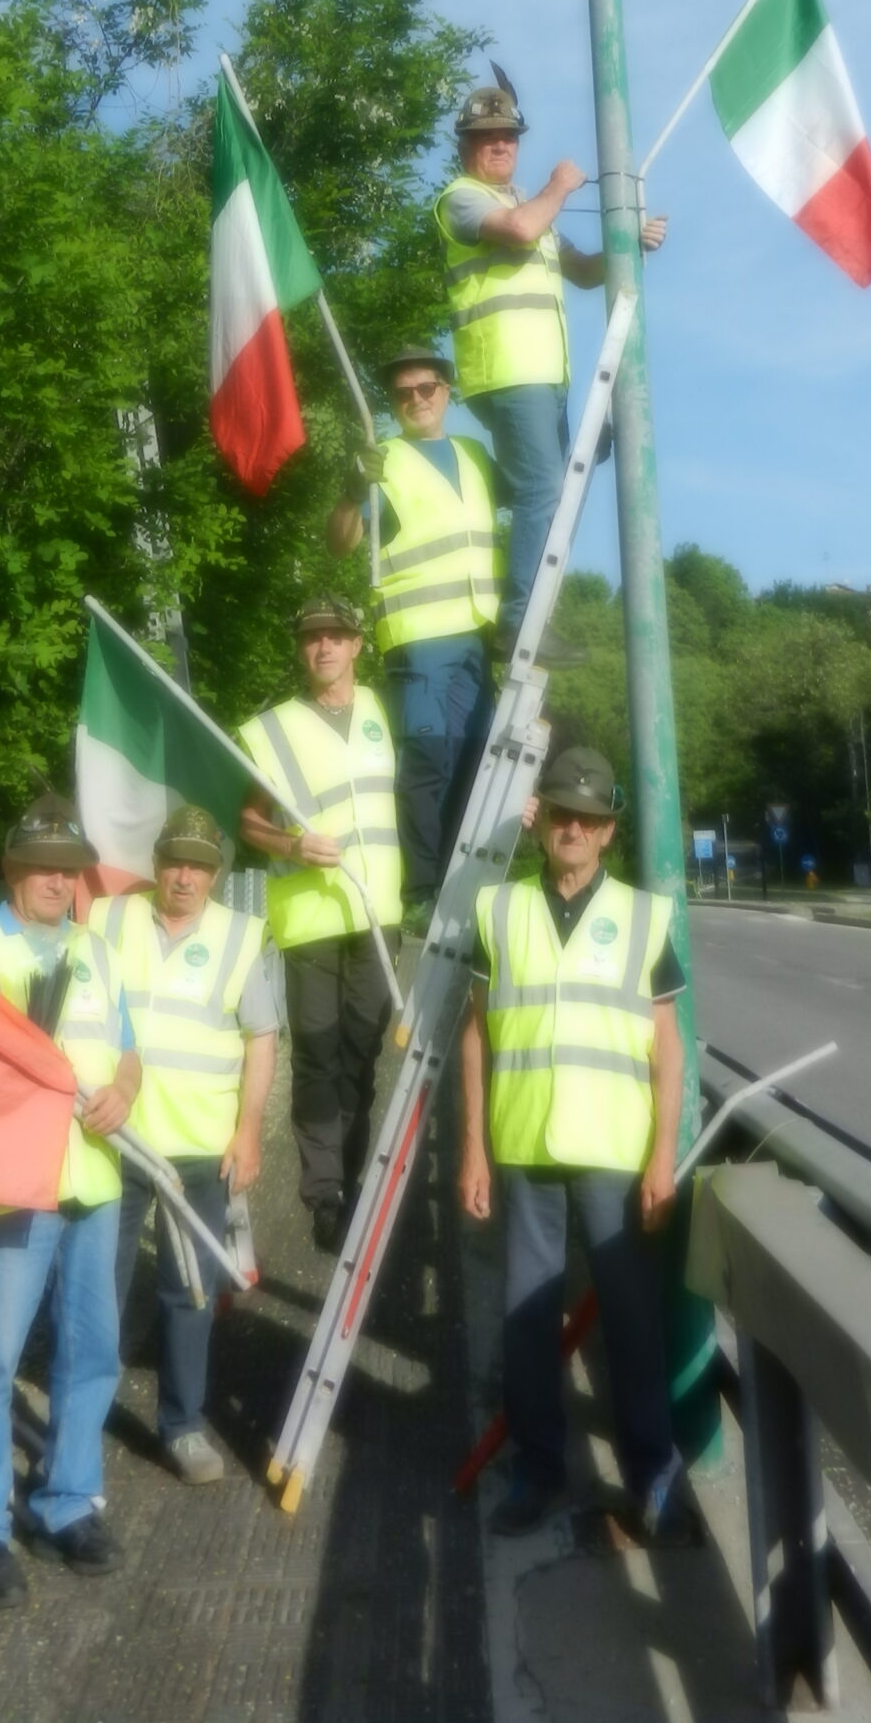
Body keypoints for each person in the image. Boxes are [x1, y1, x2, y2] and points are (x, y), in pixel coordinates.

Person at [457, 746, 691, 1539]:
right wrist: (473, 1150)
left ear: (608, 832)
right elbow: (477, 1035)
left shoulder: (643, 916)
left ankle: (652, 1472)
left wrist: (663, 1156)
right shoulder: (499, 910)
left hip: (617, 1154)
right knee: (527, 1322)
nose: (573, 828)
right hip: (523, 1145)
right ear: (542, 823)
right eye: (561, 813)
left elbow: (668, 1045)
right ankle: (538, 1471)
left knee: (631, 1321)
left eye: (589, 818)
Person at [0, 796, 140, 1610]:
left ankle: (67, 1503)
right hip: (6, 1185)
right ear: (10, 869)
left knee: (91, 1354)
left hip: (93, 1179)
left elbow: (126, 1050)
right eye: (43, 866)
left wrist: (124, 1092)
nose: (59, 880)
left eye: (70, 867)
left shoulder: (97, 951)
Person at [434, 74, 667, 661]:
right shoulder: (463, 198)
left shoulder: (526, 206)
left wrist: (629, 245)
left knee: (552, 483)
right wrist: (559, 187)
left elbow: (584, 271)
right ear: (465, 147)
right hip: (507, 371)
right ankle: (518, 622)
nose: (500, 145)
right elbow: (519, 231)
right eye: (487, 137)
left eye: (508, 137)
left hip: (542, 373)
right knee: (544, 487)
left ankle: (476, 489)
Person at [90, 805, 277, 1486]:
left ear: (216, 874)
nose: (184, 875)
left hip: (201, 1148)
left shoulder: (242, 937)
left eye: (199, 865)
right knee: (95, 1285)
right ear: (157, 864)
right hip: (115, 1140)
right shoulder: (108, 920)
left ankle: (181, 1426)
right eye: (174, 861)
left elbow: (262, 1037)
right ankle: (82, 1417)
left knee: (188, 1291)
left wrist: (249, 1129)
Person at [237, 596, 404, 1252]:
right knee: (317, 1057)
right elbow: (248, 822)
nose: (324, 647)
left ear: (358, 645)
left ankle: (351, 1174)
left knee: (360, 1058)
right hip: (308, 917)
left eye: (336, 636)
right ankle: (325, 1193)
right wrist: (291, 847)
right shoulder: (270, 729)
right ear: (301, 650)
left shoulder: (384, 716)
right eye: (312, 639)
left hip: (377, 912)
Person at [326, 344, 499, 904]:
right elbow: (340, 542)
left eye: (427, 388)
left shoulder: (474, 454)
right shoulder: (385, 462)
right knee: (426, 763)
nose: (416, 400)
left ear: (446, 391)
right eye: (403, 394)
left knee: (474, 761)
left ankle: (459, 886)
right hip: (418, 639)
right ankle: (422, 892)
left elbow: (532, 486)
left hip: (479, 633)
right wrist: (353, 492)